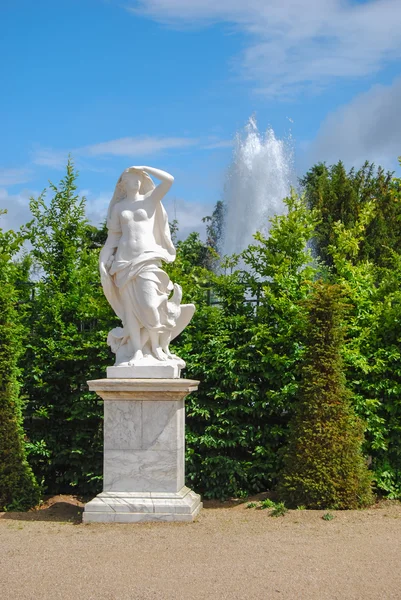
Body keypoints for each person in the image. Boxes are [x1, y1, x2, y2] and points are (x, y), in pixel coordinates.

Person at [100, 166, 194, 366]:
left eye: (138, 178)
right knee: (130, 311)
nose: (134, 181)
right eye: (129, 179)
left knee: (151, 305)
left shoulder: (150, 200)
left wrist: (145, 168)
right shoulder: (118, 208)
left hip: (148, 258)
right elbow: (113, 239)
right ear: (123, 184)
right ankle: (137, 352)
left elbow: (169, 180)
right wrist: (103, 261)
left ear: (142, 180)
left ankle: (156, 348)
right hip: (123, 263)